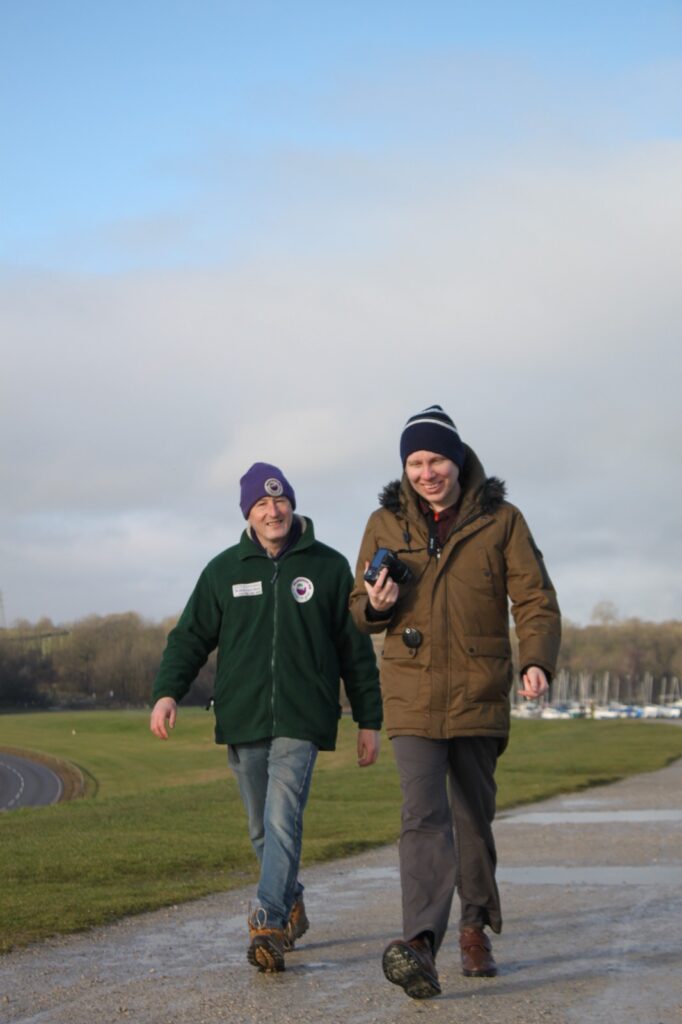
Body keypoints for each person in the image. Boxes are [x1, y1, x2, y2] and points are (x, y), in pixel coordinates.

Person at [350, 405, 560, 999]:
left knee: (471, 815)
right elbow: (357, 609)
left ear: (458, 459)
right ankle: (420, 941)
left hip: (479, 688)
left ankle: (474, 926)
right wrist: (379, 604)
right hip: (412, 692)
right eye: (414, 462)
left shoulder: (503, 521)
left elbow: (536, 598)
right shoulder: (383, 524)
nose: (426, 472)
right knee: (422, 815)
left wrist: (538, 659)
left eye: (436, 459)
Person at [151, 462, 382, 973]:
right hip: (244, 716)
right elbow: (189, 637)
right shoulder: (224, 570)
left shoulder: (329, 567)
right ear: (249, 514)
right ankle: (290, 898)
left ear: (291, 505)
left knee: (281, 819)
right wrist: (168, 693)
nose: (272, 511)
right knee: (261, 828)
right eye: (261, 504)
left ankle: (267, 920)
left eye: (279, 501)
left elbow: (355, 652)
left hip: (304, 717)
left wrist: (369, 720)